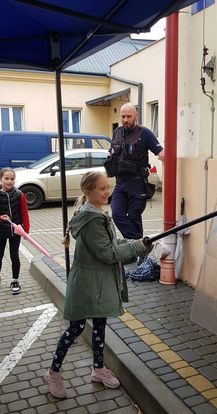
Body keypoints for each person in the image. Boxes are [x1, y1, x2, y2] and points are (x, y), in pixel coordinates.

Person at [44, 171, 150, 399]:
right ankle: (53, 372)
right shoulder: (91, 219)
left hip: (98, 281)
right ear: (87, 192)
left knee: (100, 323)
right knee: (76, 329)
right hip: (87, 283)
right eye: (102, 188)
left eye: (107, 187)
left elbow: (112, 242)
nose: (107, 192)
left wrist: (136, 243)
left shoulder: (97, 213)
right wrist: (137, 248)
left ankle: (98, 369)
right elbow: (108, 252)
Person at [106, 103, 164, 241]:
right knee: (117, 214)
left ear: (136, 116)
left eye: (129, 116)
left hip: (137, 183)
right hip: (120, 183)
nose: (125, 120)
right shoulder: (117, 132)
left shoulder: (145, 133)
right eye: (123, 116)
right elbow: (113, 155)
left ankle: (136, 249)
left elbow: (161, 152)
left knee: (133, 217)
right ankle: (140, 245)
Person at [0, 167, 30, 294]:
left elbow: (24, 213)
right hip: (1, 231)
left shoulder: (19, 194)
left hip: (15, 231)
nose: (9, 181)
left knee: (14, 256)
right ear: (0, 179)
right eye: (6, 178)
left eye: (12, 179)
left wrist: (26, 230)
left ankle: (15, 280)